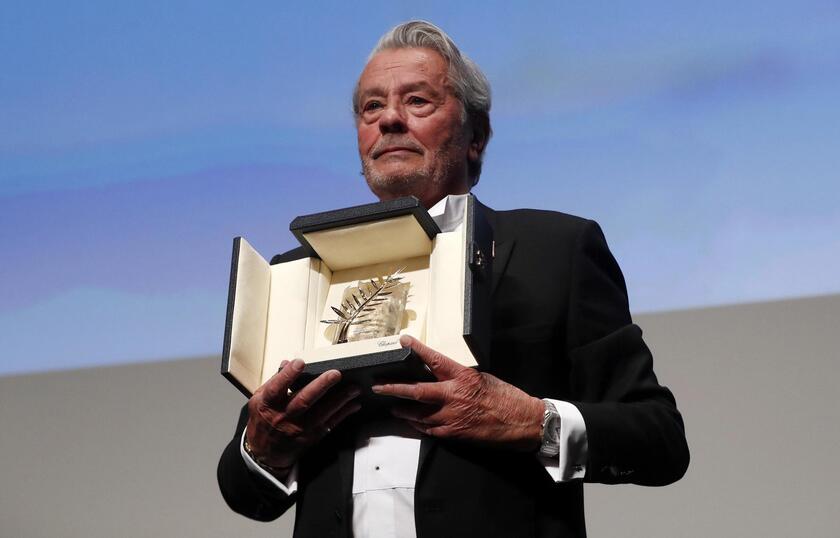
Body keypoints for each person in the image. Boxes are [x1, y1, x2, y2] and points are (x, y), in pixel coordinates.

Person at [218, 20, 689, 538]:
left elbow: (660, 441)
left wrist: (532, 422)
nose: (390, 119)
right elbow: (246, 494)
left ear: (476, 136)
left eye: (417, 100)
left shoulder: (555, 250)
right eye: (371, 107)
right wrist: (263, 446)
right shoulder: (299, 277)